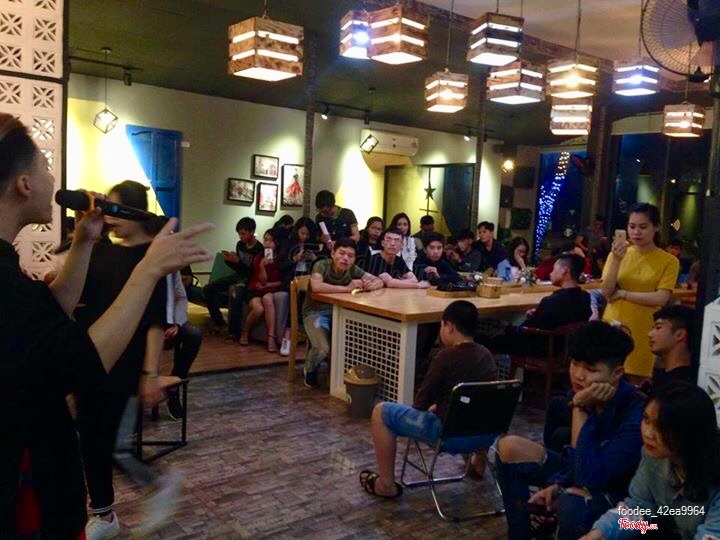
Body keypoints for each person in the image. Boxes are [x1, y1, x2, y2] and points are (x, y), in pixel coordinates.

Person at [0, 113, 212, 538]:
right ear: (24, 184)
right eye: (45, 166)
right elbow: (77, 362)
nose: (51, 176)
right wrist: (148, 270)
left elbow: (48, 312)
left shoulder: (10, 271)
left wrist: (83, 240)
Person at [73, 182, 177, 538]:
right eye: (109, 211)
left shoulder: (152, 257)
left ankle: (158, 483)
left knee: (113, 445)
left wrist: (151, 373)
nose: (110, 218)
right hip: (91, 357)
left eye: (117, 211)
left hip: (126, 364)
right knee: (89, 438)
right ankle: (103, 514)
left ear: (136, 213)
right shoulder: (102, 249)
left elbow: (155, 321)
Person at [494, 321, 644, 539]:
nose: (579, 375)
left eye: (590, 369)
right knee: (508, 447)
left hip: (619, 496)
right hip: (583, 471)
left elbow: (589, 477)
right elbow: (575, 463)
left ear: (617, 373)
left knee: (573, 501)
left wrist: (579, 407)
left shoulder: (635, 412)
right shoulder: (585, 393)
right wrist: (558, 484)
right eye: (575, 364)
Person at [359, 301, 498, 498]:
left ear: (449, 327)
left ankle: (385, 485)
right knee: (475, 409)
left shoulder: (445, 357)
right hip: (485, 434)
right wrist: (441, 405)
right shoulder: (486, 356)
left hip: (448, 435)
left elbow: (420, 404)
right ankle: (478, 463)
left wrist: (435, 406)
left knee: (381, 412)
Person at [582, 382, 720, 540]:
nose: (648, 433)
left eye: (661, 427)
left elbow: (712, 535)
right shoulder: (655, 456)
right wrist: (601, 533)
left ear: (690, 432)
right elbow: (640, 510)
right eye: (646, 420)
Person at [602, 203, 680, 381]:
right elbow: (607, 293)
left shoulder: (668, 261)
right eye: (632, 227)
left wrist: (623, 294)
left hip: (644, 327)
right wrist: (616, 259)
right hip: (614, 322)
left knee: (636, 381)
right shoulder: (617, 254)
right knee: (606, 377)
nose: (636, 232)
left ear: (656, 227)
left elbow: (661, 298)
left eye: (643, 227)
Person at [302, 238, 383, 387]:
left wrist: (371, 285)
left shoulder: (353, 269)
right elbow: (317, 287)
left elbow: (378, 280)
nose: (345, 258)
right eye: (342, 253)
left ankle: (346, 375)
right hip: (315, 312)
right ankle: (310, 368)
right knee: (323, 348)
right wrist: (347, 288)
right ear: (333, 253)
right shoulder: (321, 265)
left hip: (342, 312)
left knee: (361, 339)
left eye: (350, 256)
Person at [203, 217, 263, 335]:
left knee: (236, 292)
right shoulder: (240, 245)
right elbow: (238, 269)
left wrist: (238, 261)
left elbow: (252, 273)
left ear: (252, 232)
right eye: (239, 234)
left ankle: (233, 333)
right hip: (238, 276)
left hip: (249, 280)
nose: (240, 237)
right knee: (208, 289)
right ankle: (219, 322)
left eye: (243, 234)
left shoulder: (259, 249)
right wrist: (229, 261)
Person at [275, 218, 318, 355]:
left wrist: (314, 259)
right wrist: (294, 259)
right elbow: (280, 266)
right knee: (296, 295)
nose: (304, 237)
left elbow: (319, 268)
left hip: (307, 279)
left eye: (307, 234)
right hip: (291, 279)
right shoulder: (289, 244)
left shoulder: (313, 246)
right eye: (302, 233)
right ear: (297, 231)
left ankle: (309, 337)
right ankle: (287, 335)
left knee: (309, 295)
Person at [239, 229, 284, 352]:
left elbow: (283, 281)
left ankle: (271, 337)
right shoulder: (259, 257)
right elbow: (262, 282)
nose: (267, 243)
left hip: (271, 289)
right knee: (258, 309)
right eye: (265, 240)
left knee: (268, 298)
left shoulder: (281, 259)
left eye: (271, 240)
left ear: (277, 243)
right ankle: (245, 331)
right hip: (255, 288)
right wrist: (262, 266)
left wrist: (269, 285)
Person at [647, 304, 696, 391]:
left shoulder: (682, 386)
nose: (650, 334)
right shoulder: (660, 378)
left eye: (658, 327)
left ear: (679, 335)